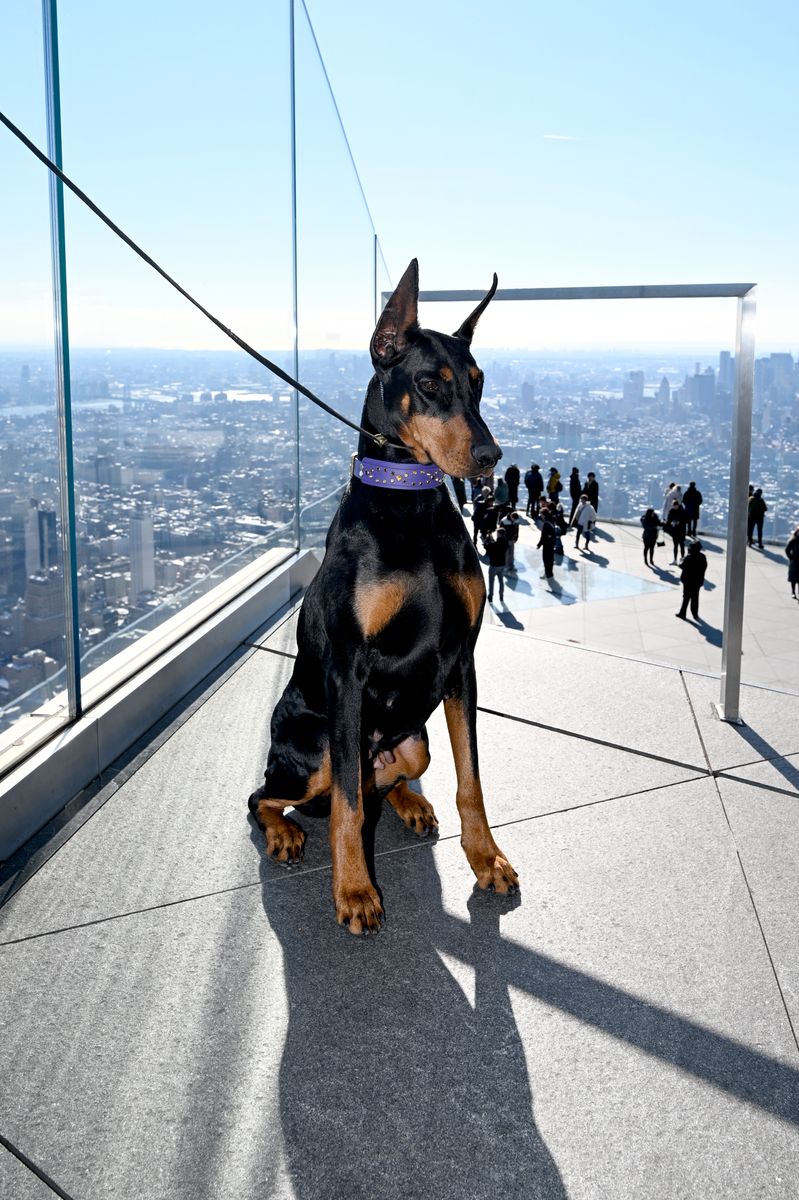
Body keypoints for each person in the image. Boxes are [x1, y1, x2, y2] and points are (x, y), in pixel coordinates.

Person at [676, 540, 708, 620]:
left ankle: (682, 613)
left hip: (688, 581)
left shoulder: (689, 557)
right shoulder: (702, 557)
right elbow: (704, 567)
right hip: (697, 581)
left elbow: (683, 566)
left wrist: (680, 562)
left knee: (686, 597)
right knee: (695, 597)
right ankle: (695, 614)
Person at [484, 527, 508, 604]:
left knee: (491, 581)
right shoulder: (505, 542)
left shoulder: (495, 544)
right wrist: (492, 540)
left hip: (494, 565)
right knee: (501, 581)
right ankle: (501, 595)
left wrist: (488, 539)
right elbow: (496, 544)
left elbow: (486, 546)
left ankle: (491, 596)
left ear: (499, 534)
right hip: (502, 565)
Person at [537, 502, 558, 580]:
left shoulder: (546, 523)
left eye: (541, 514)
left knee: (546, 559)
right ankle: (550, 574)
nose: (541, 516)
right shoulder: (552, 519)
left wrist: (539, 544)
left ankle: (547, 574)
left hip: (547, 544)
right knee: (550, 559)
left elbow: (543, 536)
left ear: (544, 515)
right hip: (552, 543)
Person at [664, 498, 687, 563]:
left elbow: (685, 520)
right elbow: (669, 519)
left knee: (682, 546)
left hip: (681, 531)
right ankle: (675, 560)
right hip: (674, 531)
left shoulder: (682, 511)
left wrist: (679, 522)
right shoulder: (671, 511)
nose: (674, 507)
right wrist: (670, 523)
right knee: (675, 546)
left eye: (675, 506)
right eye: (673, 506)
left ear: (678, 505)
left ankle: (682, 559)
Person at [786, 526, 799, 599]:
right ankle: (793, 592)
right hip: (794, 562)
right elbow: (787, 550)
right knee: (793, 579)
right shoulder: (793, 541)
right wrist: (791, 557)